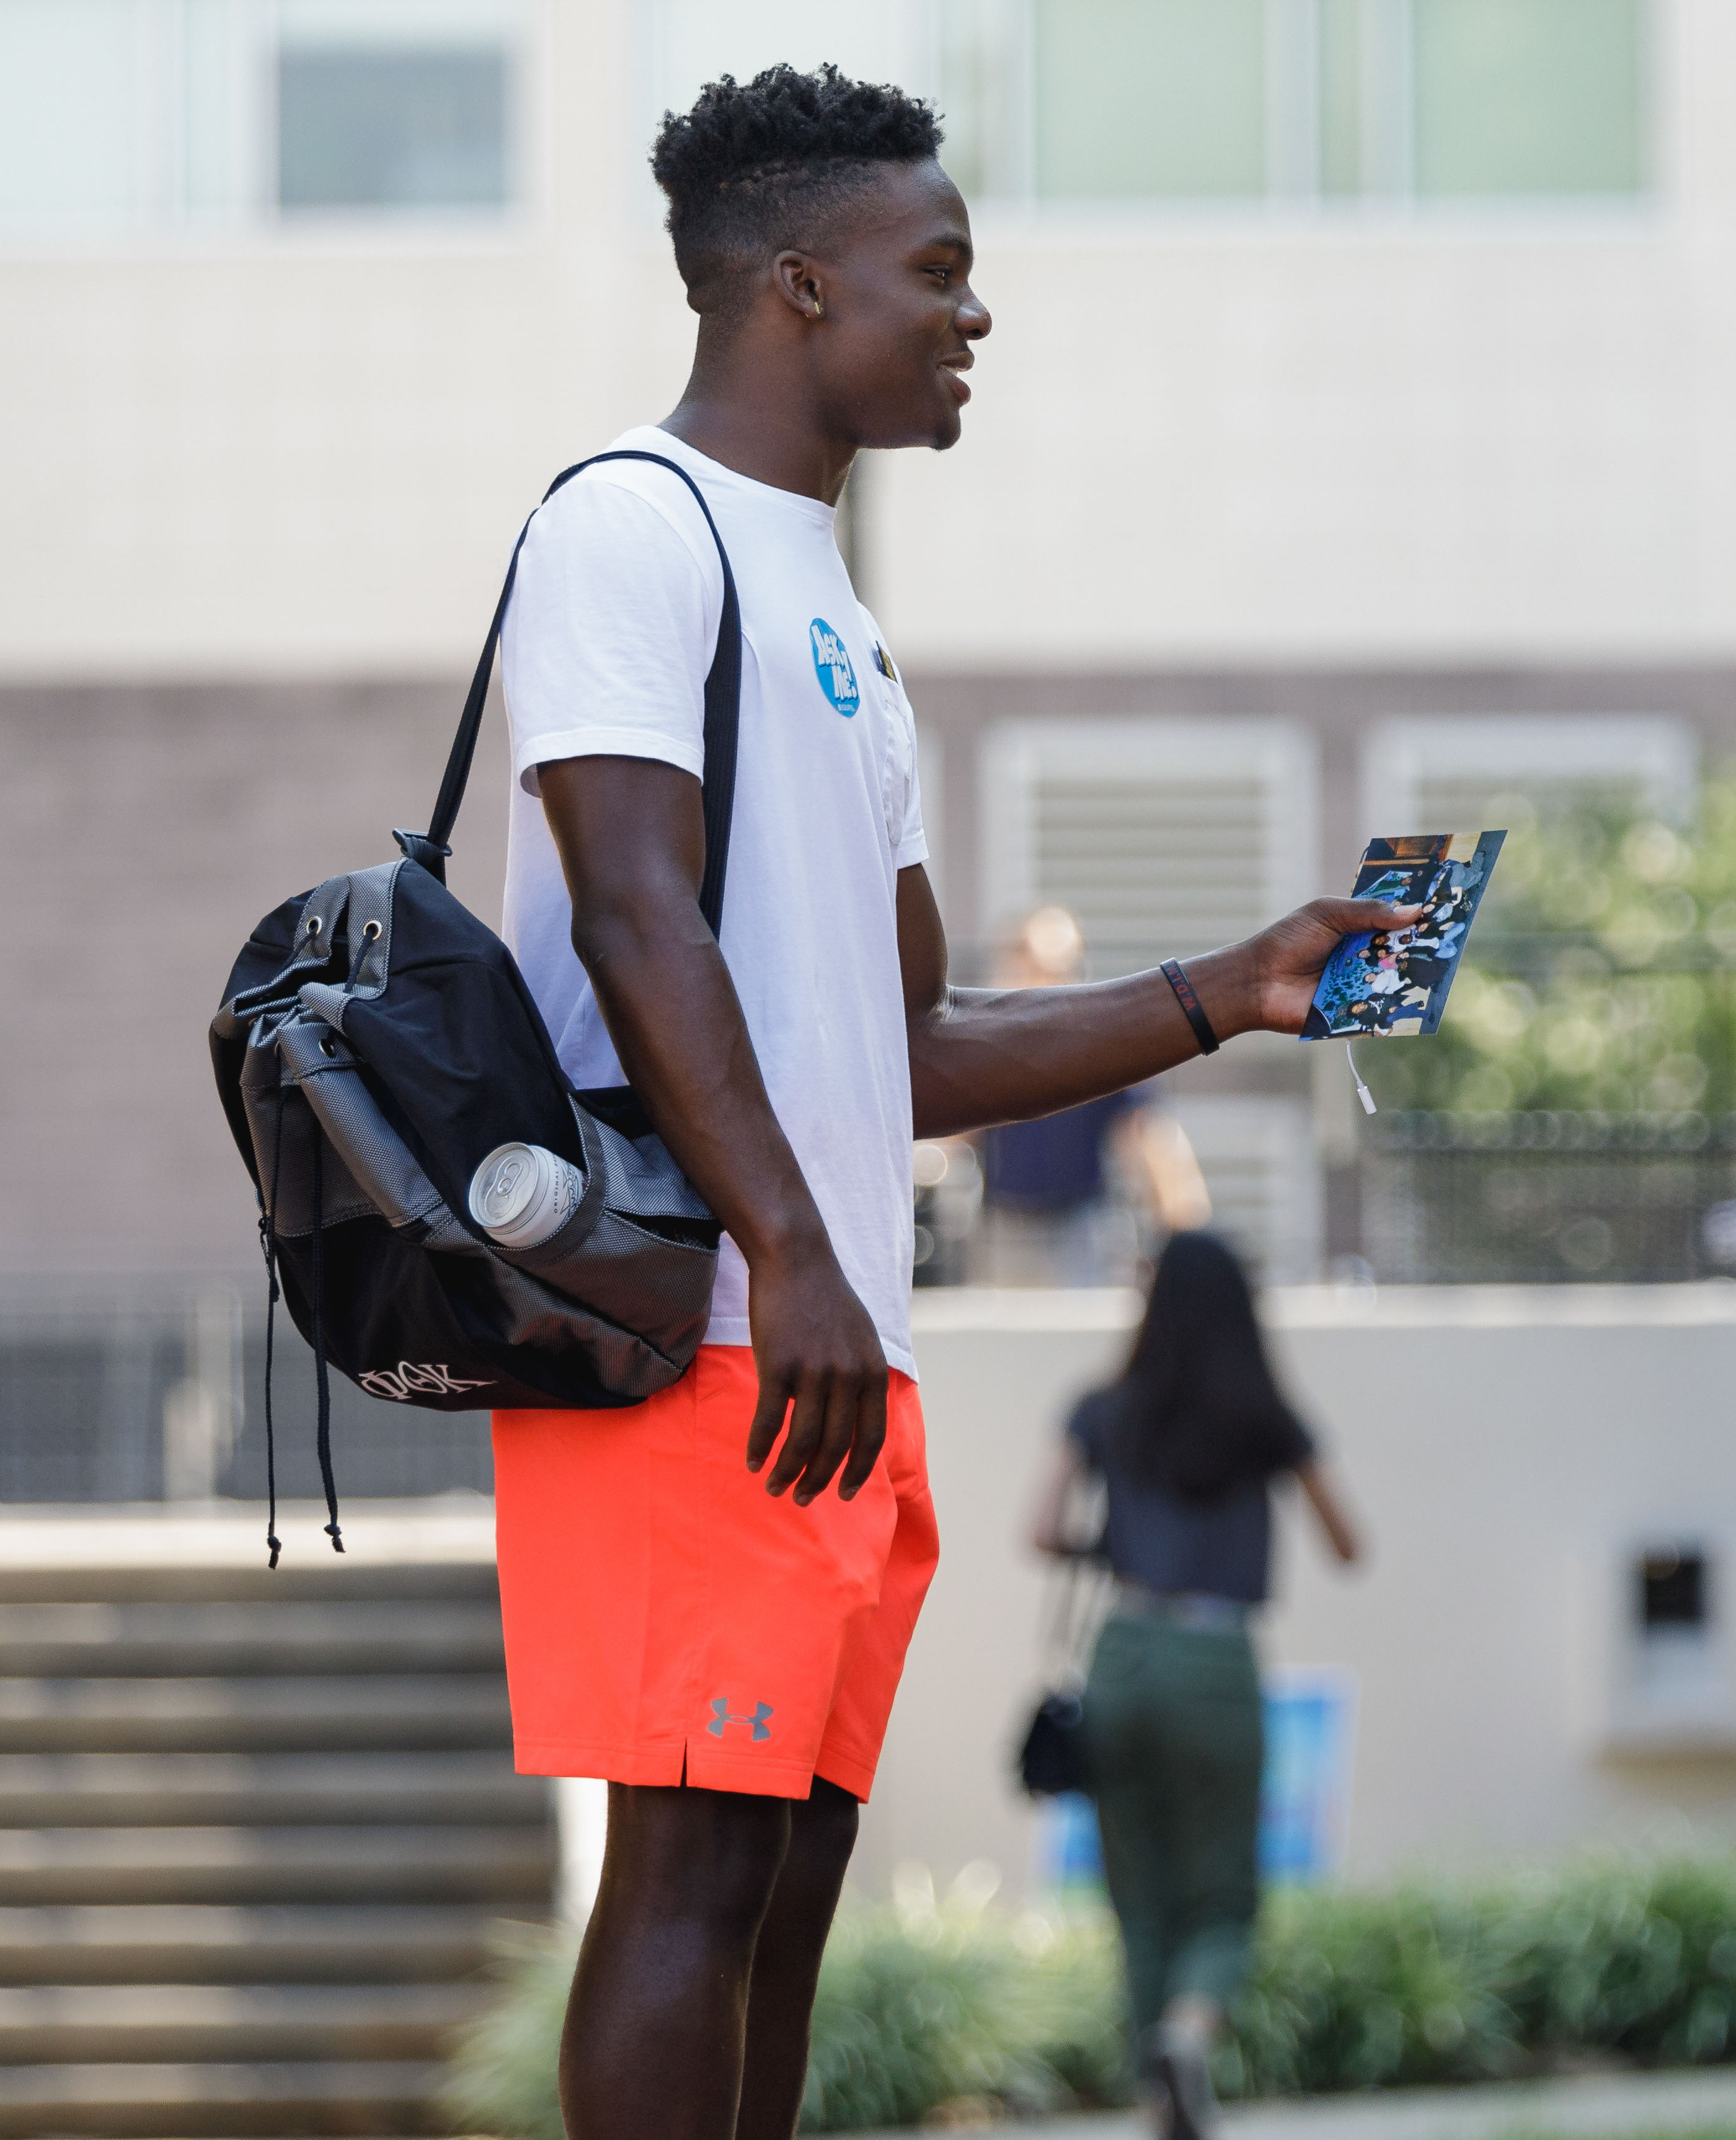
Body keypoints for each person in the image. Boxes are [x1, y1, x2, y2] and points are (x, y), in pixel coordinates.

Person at [482, 68, 1414, 2140]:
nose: (972, 317)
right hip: (695, 1332)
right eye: (941, 273)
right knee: (691, 1869)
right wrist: (792, 1247)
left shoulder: (837, 622)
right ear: (799, 286)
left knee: (788, 1889)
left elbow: (900, 1047)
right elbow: (638, 917)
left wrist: (1227, 990)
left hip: (826, 1352)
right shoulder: (627, 524)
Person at [1024, 1230, 1362, 2140]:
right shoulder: (1265, 1417)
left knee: (1137, 1894)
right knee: (1224, 1893)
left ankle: (1153, 2098)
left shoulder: (1102, 1408)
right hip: (1216, 1660)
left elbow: (1041, 1529)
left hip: (1123, 1654)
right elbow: (1348, 1542)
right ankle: (1187, 2034)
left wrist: (1119, 1547)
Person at [974, 906, 1211, 1286]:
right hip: (1007, 1227)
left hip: (1081, 1228)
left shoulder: (1104, 1047)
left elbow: (1150, 1138)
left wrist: (1188, 1239)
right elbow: (947, 1136)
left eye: (1061, 970)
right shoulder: (987, 1049)